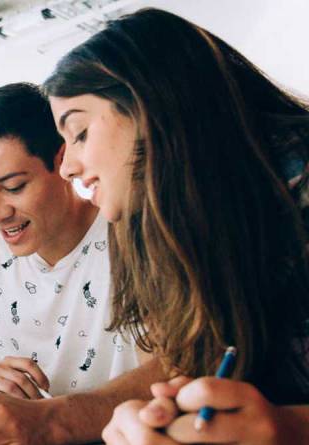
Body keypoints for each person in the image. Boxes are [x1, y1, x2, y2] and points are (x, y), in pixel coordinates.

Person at [43, 8, 309, 444]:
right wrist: (167, 418)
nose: (68, 167)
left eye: (80, 132)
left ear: (151, 104)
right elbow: (200, 372)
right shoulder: (175, 227)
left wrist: (290, 428)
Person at [0, 82, 162, 445]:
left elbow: (171, 369)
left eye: (14, 187)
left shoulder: (131, 237)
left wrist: (50, 419)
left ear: (62, 162)